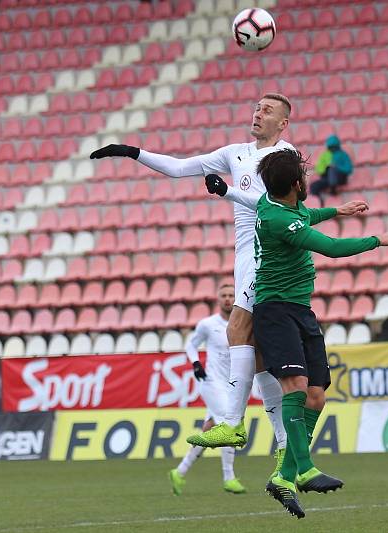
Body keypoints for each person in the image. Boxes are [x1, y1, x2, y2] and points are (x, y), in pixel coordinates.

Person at [89, 94, 293, 478]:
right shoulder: (235, 153)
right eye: (257, 106)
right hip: (244, 254)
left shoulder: (285, 155)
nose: (257, 112)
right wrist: (132, 152)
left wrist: (227, 192)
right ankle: (284, 447)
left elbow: (278, 206)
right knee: (261, 354)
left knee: (236, 328)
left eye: (268, 110)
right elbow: (181, 167)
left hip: (268, 250)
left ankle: (232, 423)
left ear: (283, 123)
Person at [252, 148, 388, 518]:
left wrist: (336, 211)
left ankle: (284, 476)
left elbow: (304, 214)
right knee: (294, 388)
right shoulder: (278, 219)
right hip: (276, 310)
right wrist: (377, 240)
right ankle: (302, 469)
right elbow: (332, 248)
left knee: (316, 396)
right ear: (297, 184)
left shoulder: (273, 203)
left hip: (300, 311)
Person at [169, 283, 245, 495]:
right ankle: (228, 477)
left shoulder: (243, 323)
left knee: (209, 429)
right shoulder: (207, 324)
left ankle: (179, 471)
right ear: (218, 299)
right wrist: (195, 363)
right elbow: (190, 345)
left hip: (231, 385)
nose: (228, 299)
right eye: (224, 295)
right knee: (229, 427)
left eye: (231, 295)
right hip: (211, 382)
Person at [309, 135, 353, 200]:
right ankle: (318, 201)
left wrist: (337, 167)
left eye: (334, 147)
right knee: (313, 186)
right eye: (331, 147)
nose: (332, 149)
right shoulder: (324, 155)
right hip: (327, 179)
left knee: (332, 170)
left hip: (340, 178)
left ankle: (333, 189)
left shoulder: (343, 155)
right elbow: (319, 169)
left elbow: (348, 169)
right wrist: (326, 168)